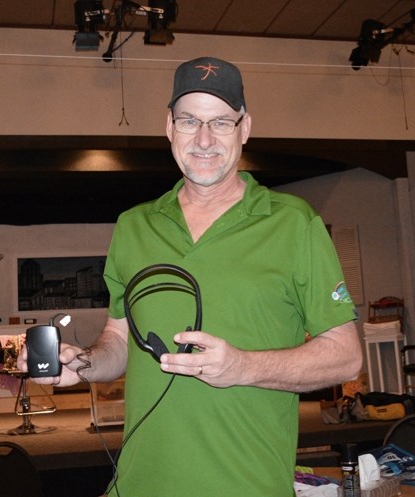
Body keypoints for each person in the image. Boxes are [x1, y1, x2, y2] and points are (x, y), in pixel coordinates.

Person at [19, 56, 363, 497]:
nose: (203, 139)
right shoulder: (134, 226)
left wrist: (243, 366)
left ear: (245, 128)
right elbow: (121, 341)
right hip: (138, 485)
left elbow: (345, 356)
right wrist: (82, 364)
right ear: (169, 127)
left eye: (221, 122)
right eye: (189, 121)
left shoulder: (294, 223)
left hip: (246, 485)